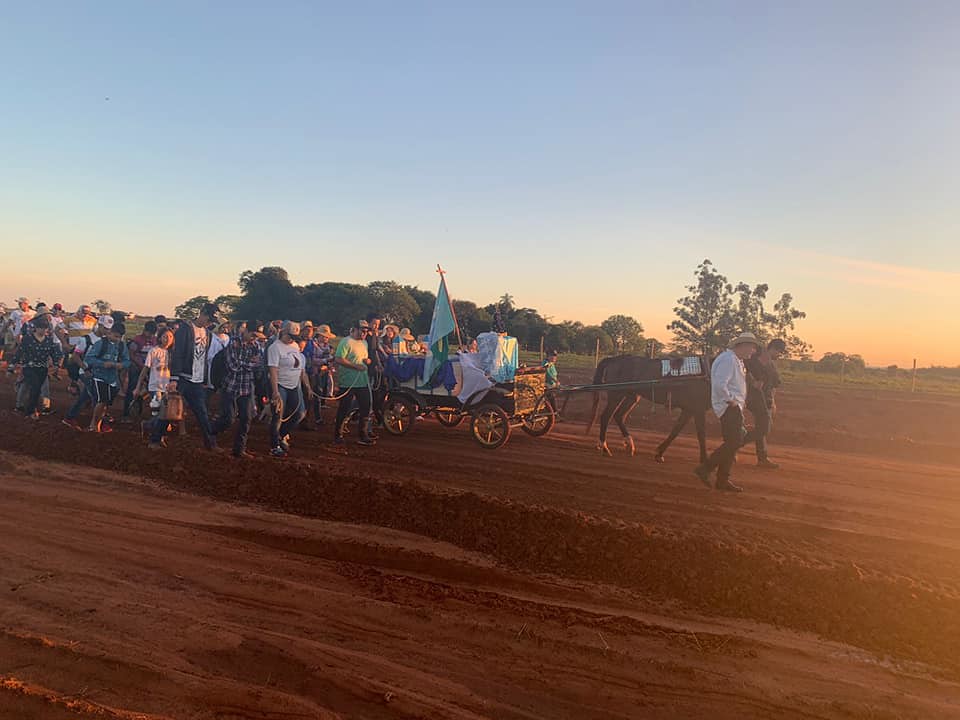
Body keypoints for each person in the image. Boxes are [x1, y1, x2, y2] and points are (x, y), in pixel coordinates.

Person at [693, 332, 760, 492]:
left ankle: (722, 480)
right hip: (729, 407)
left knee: (733, 443)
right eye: (751, 347)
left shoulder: (735, 360)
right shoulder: (728, 360)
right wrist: (730, 400)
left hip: (733, 407)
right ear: (742, 345)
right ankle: (705, 468)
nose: (753, 351)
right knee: (734, 442)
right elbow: (719, 383)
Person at [153, 302, 220, 450]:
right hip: (183, 377)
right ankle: (155, 439)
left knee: (202, 413)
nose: (209, 323)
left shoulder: (208, 333)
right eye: (208, 319)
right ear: (201, 313)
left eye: (211, 321)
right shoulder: (185, 329)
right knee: (170, 409)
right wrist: (174, 378)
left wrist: (203, 378)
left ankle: (210, 443)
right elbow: (178, 354)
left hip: (196, 379)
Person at [210, 322, 264, 457]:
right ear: (246, 331)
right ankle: (210, 432)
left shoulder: (255, 345)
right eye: (253, 335)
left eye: (256, 336)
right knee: (229, 418)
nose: (254, 338)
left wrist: (248, 364)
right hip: (230, 386)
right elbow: (233, 366)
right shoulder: (233, 343)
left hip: (246, 386)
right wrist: (252, 363)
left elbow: (259, 364)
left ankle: (239, 450)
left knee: (246, 419)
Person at [266, 321, 313, 458]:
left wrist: (307, 386)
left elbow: (300, 368)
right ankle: (274, 446)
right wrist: (275, 392)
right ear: (283, 333)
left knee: (300, 413)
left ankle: (280, 436)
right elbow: (273, 370)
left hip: (294, 385)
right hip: (281, 384)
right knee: (278, 416)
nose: (292, 339)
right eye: (290, 336)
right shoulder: (275, 348)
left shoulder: (295, 346)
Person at [10, 314, 63, 420]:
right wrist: (11, 366)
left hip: (42, 369)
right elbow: (19, 352)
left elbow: (54, 353)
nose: (43, 330)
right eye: (41, 327)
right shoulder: (27, 339)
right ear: (36, 327)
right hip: (29, 368)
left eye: (45, 328)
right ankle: (30, 411)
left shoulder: (49, 340)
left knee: (37, 389)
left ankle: (29, 409)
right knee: (34, 387)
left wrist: (57, 364)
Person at [743, 338, 786, 469]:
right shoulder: (753, 360)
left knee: (761, 428)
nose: (779, 355)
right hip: (754, 399)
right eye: (779, 352)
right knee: (764, 427)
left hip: (766, 400)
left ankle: (761, 458)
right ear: (773, 349)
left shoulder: (771, 365)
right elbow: (743, 375)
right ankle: (734, 445)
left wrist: (773, 402)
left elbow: (774, 384)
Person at [333, 320, 375, 446]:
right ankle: (338, 434)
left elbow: (363, 358)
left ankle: (363, 435)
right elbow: (339, 359)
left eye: (366, 331)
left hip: (362, 381)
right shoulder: (346, 342)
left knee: (366, 407)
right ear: (355, 329)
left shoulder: (365, 343)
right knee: (344, 408)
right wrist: (355, 366)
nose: (364, 333)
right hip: (348, 381)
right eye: (362, 331)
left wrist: (367, 361)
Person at [84, 323, 131, 433]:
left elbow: (127, 361)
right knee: (102, 400)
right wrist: (102, 364)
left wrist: (122, 365)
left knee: (106, 403)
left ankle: (98, 425)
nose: (118, 339)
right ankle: (93, 425)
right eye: (116, 336)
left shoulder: (121, 346)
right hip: (99, 376)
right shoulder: (100, 344)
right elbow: (89, 358)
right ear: (109, 333)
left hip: (112, 378)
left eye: (120, 337)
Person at [135, 328, 174, 447]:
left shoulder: (173, 353)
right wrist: (138, 387)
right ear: (160, 337)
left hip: (167, 388)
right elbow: (145, 370)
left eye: (170, 337)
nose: (167, 339)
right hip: (155, 386)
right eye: (165, 336)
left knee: (166, 414)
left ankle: (149, 426)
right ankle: (156, 436)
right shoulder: (154, 351)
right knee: (159, 413)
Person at [123, 320, 158, 421]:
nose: (149, 335)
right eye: (148, 332)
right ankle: (126, 414)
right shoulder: (137, 340)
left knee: (152, 389)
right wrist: (142, 365)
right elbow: (131, 354)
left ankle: (146, 406)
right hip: (137, 367)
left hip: (150, 368)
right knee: (132, 389)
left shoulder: (155, 340)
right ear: (144, 330)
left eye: (151, 333)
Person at [304, 323, 336, 425]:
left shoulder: (326, 346)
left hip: (321, 373)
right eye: (325, 336)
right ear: (320, 336)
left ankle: (316, 418)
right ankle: (308, 418)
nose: (327, 339)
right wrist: (326, 360)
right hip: (312, 373)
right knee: (311, 395)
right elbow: (312, 360)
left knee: (318, 393)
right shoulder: (312, 345)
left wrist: (328, 364)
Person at [542, 349, 560, 414]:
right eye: (552, 356)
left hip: (552, 384)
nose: (554, 357)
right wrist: (555, 380)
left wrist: (556, 381)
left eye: (555, 356)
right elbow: (547, 373)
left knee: (553, 397)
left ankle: (554, 411)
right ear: (548, 356)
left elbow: (554, 374)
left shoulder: (552, 364)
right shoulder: (546, 363)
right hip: (547, 384)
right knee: (552, 398)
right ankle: (554, 412)